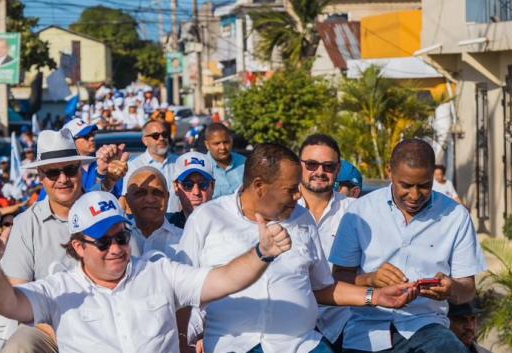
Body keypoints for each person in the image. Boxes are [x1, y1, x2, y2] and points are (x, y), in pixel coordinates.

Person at [0, 190, 309, 353]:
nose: (117, 247)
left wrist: (262, 252)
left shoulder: (159, 272)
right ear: (78, 248)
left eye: (121, 237)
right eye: (103, 242)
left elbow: (224, 279)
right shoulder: (59, 288)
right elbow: (7, 303)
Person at [179, 143, 417, 353]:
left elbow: (323, 288)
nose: (298, 196)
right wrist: (184, 343)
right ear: (260, 186)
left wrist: (376, 296)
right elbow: (180, 292)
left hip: (303, 344)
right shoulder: (206, 219)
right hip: (236, 345)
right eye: (291, 190)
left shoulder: (302, 219)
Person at [330, 139, 487, 353]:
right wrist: (371, 280)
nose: (414, 195)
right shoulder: (359, 212)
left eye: (424, 186)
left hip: (427, 326)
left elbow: (468, 289)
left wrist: (451, 289)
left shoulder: (456, 217)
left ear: (434, 177)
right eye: (406, 185)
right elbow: (338, 278)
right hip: (366, 328)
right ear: (390, 173)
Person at [0, 129, 128, 352]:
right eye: (52, 173)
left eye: (69, 169)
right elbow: (18, 293)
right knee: (18, 346)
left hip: (109, 318)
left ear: (80, 170)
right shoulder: (26, 223)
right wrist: (63, 334)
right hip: (48, 326)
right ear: (40, 175)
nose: (62, 179)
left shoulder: (105, 209)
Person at [296, 134, 353, 351]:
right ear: (299, 165)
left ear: (337, 169)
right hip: (290, 326)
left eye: (328, 166)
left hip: (343, 325)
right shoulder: (281, 210)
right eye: (311, 164)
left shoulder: (355, 212)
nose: (319, 172)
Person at [125, 167, 183, 260]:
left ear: (167, 197)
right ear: (128, 200)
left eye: (157, 193)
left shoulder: (184, 239)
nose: (150, 200)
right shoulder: (119, 239)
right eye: (141, 193)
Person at [124, 120, 181, 212]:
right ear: (145, 141)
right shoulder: (134, 166)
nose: (161, 138)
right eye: (155, 136)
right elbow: (127, 201)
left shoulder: (179, 162)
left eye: (164, 134)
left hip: (177, 223)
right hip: (147, 224)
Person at [167, 151, 215, 229]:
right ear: (176, 186)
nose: (196, 192)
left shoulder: (226, 225)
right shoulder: (166, 227)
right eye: (188, 185)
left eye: (203, 185)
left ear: (213, 186)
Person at [202, 123, 246, 197]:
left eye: (226, 142)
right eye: (217, 143)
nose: (222, 147)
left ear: (231, 140)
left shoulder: (244, 163)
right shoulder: (201, 168)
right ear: (207, 145)